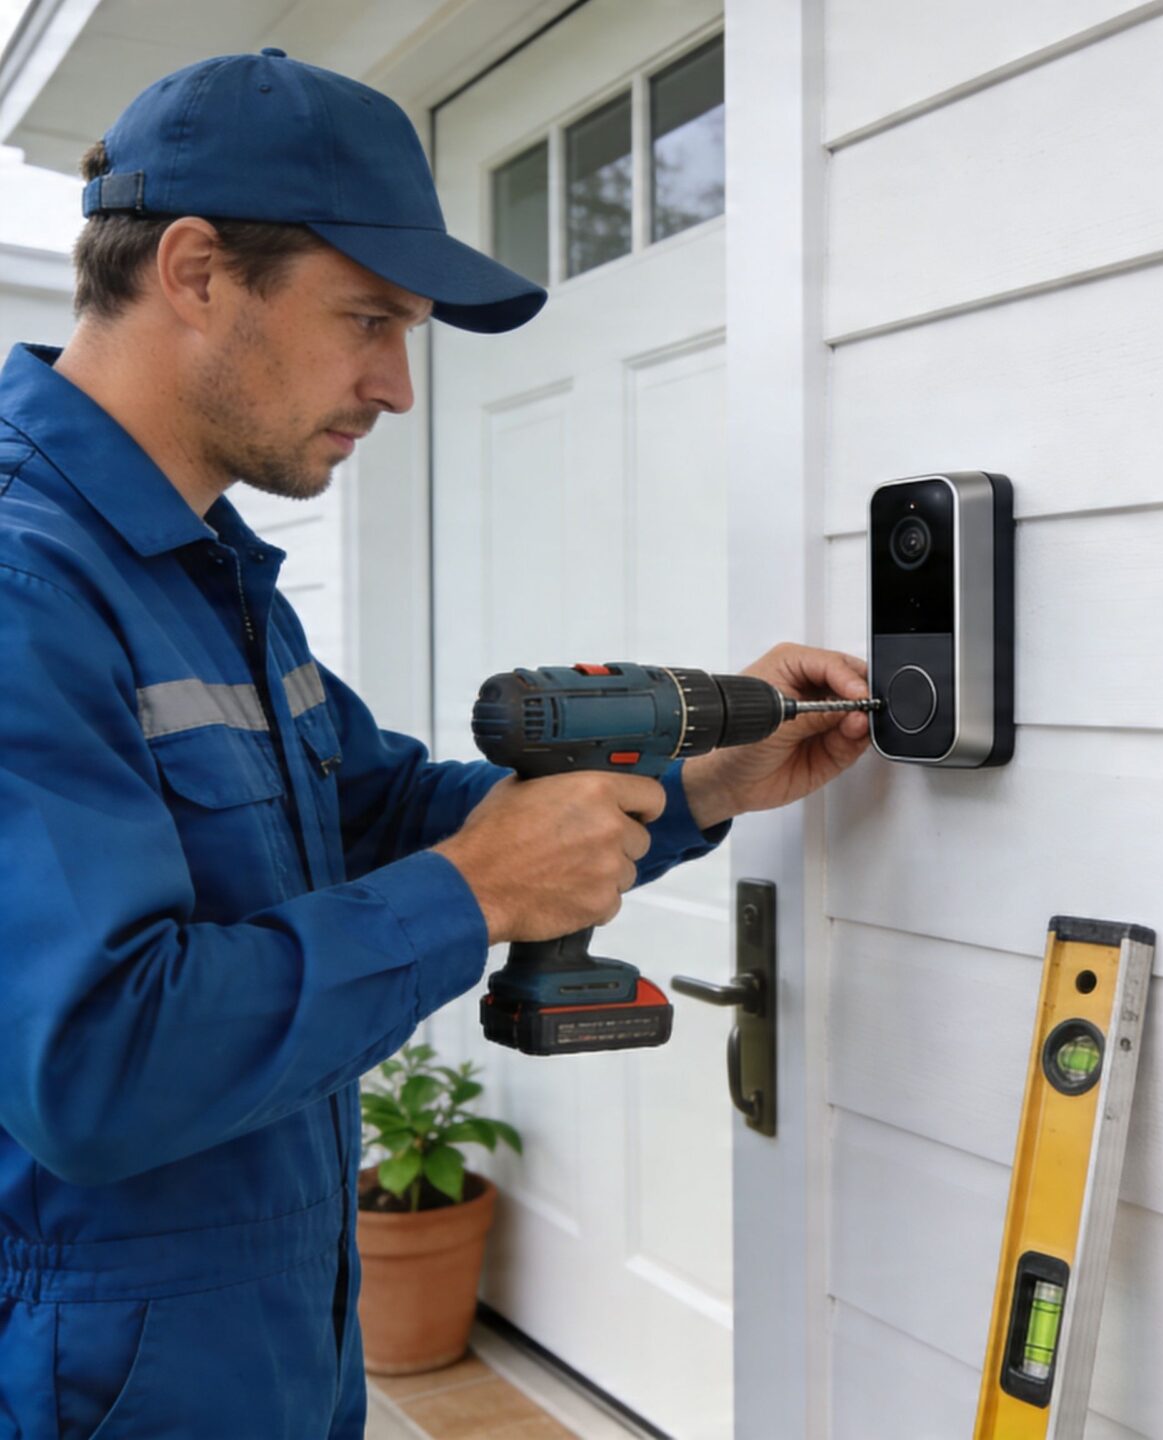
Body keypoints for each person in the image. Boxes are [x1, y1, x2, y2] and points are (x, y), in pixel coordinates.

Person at [0, 50, 871, 1437]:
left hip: (279, 1339)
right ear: (194, 270)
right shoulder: (26, 589)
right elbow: (95, 1062)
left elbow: (389, 812)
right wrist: (475, 898)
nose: (398, 387)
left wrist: (696, 780)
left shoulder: (202, 574)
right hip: (107, 1378)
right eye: (367, 320)